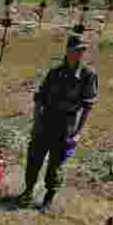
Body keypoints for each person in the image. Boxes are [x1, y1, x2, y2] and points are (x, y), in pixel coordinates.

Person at [17, 33, 99, 213]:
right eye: (77, 50)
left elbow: (87, 106)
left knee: (55, 166)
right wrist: (36, 122)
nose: (80, 54)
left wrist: (77, 133)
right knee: (33, 160)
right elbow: (39, 99)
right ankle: (28, 191)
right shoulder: (55, 73)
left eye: (82, 50)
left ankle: (48, 199)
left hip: (65, 127)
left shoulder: (88, 75)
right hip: (45, 123)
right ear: (68, 50)